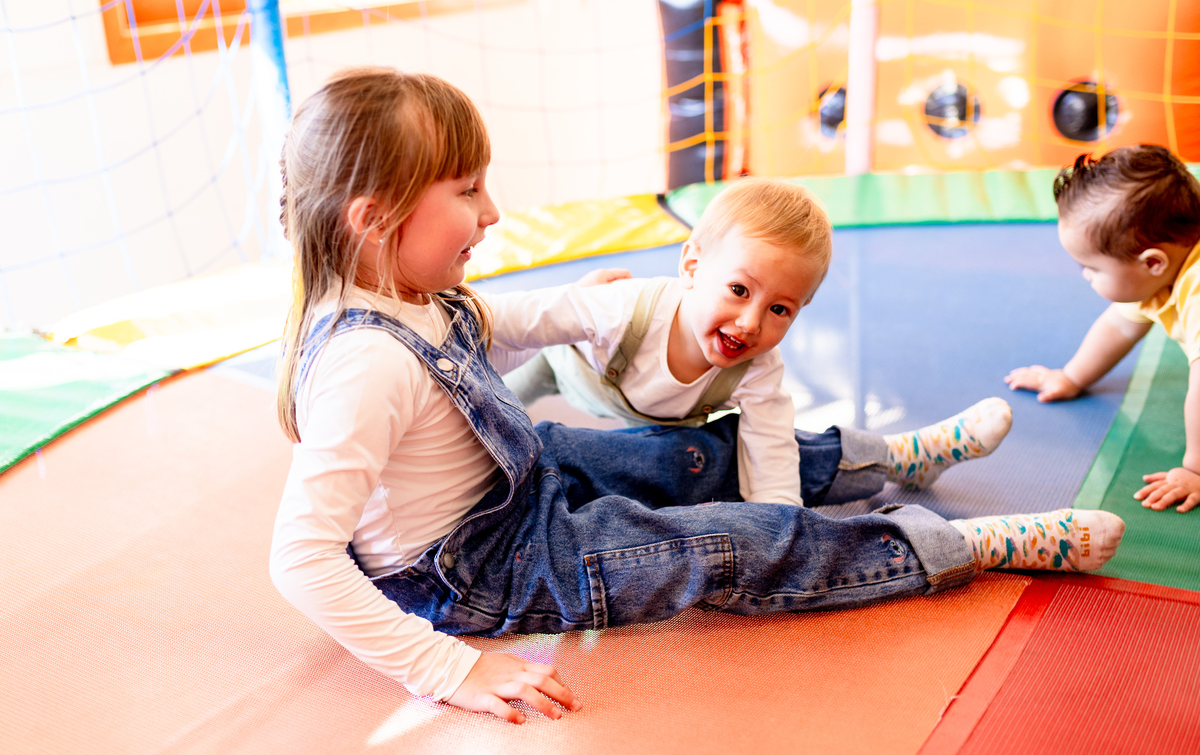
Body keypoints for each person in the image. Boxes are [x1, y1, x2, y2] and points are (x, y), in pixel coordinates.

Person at [270, 66, 1126, 726]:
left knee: (693, 455)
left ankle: (895, 458)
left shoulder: (419, 295)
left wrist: (600, 304)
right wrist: (447, 668)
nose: (491, 212)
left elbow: (517, 324)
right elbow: (302, 557)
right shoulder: (363, 363)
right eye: (467, 191)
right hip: (491, 568)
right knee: (730, 542)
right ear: (372, 218)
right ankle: (959, 546)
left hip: (524, 481)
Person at [498, 178, 1014, 505]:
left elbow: (771, 453)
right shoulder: (623, 308)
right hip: (566, 366)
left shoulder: (757, 366)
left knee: (699, 455)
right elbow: (516, 319)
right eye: (739, 290)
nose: (749, 323)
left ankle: (896, 458)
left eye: (779, 309)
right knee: (497, 407)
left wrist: (778, 526)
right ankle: (896, 456)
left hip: (657, 427)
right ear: (692, 267)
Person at [1006, 145, 1200, 513]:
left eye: (1093, 268)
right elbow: (1119, 325)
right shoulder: (1158, 273)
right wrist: (1071, 377)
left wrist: (1195, 469)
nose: (1085, 275)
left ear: (1153, 263)